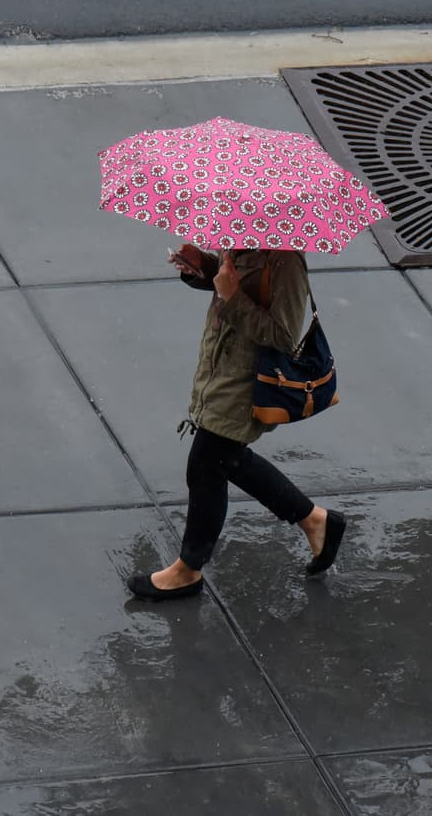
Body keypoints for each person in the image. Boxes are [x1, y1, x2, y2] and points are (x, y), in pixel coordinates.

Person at [127, 244, 345, 600]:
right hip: (221, 369)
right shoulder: (246, 238)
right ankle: (316, 521)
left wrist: (230, 296)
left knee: (204, 465)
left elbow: (284, 336)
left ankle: (188, 569)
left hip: (246, 382)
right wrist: (203, 267)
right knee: (226, 461)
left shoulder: (287, 260)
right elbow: (234, 283)